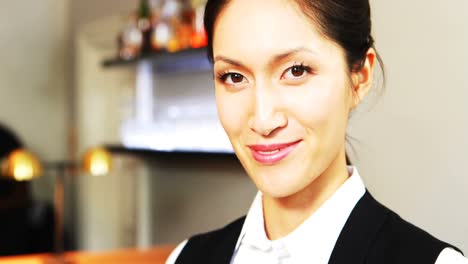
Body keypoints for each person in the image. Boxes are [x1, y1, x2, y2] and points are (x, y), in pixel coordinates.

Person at [167, 0, 468, 263]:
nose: (262, 119)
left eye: (296, 71)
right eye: (233, 76)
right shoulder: (185, 258)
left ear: (360, 77)